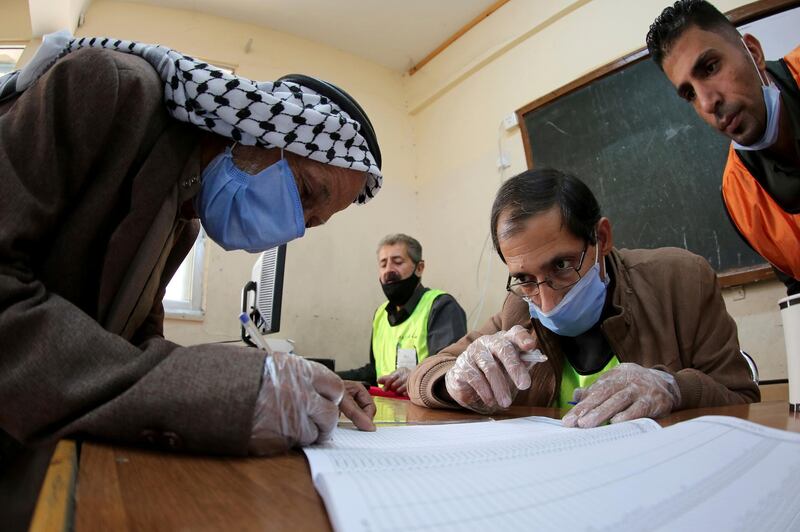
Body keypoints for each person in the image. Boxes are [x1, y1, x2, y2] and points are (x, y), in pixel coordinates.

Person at [0, 30, 381, 479]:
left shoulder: (183, 215)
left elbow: (133, 347)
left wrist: (295, 385)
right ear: (257, 129)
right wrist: (238, 392)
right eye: (303, 192)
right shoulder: (110, 89)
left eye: (311, 222)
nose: (296, 227)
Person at [408, 168, 759, 427]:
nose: (546, 302)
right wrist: (454, 382)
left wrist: (674, 387)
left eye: (561, 265)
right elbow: (424, 375)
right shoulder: (518, 308)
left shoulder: (681, 280)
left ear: (601, 238)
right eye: (525, 278)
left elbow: (742, 399)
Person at [646, 0, 800, 294]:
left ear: (753, 53)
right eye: (689, 93)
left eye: (710, 67)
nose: (707, 103)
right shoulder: (738, 197)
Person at [338, 234, 466, 396]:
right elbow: (375, 371)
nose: (389, 270)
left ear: (419, 268)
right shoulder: (380, 314)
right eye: (383, 264)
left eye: (397, 262)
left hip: (426, 414)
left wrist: (414, 378)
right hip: (385, 413)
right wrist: (327, 375)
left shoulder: (441, 306)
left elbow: (448, 370)